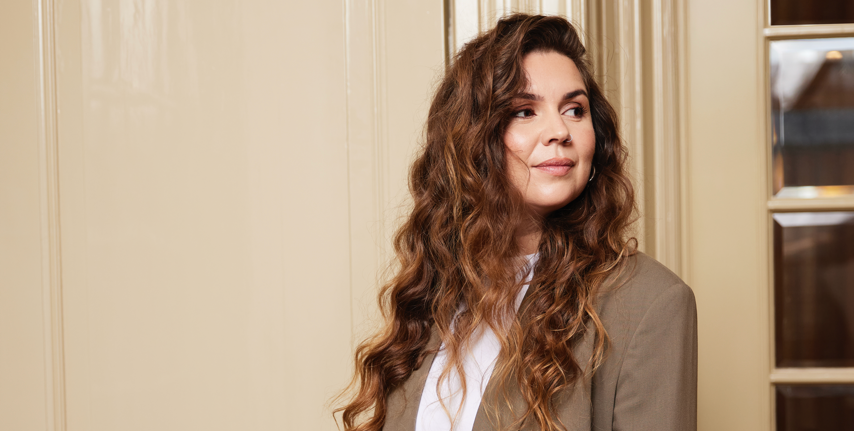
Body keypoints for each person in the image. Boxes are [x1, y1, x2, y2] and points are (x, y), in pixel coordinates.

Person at [334, 13, 697, 431]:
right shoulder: (437, 289)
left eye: (575, 110)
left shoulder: (651, 302)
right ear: (473, 138)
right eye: (525, 111)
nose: (559, 130)